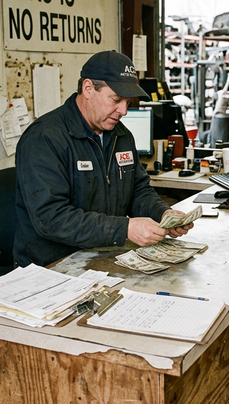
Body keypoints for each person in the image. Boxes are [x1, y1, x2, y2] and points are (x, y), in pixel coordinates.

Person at [13, 50, 192, 268]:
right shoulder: (44, 139)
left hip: (103, 256)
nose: (123, 111)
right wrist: (125, 228)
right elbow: (51, 218)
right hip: (52, 266)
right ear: (88, 89)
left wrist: (163, 213)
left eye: (128, 101)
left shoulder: (121, 135)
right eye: (116, 100)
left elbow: (138, 191)